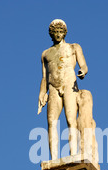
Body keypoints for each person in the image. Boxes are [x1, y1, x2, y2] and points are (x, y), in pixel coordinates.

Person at [37, 19, 89, 161]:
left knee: (71, 119)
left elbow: (84, 65)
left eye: (60, 32)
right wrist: (42, 92)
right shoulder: (45, 54)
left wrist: (83, 71)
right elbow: (44, 76)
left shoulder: (74, 47)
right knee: (51, 121)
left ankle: (73, 154)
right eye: (56, 32)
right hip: (53, 87)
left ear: (64, 33)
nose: (58, 34)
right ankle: (54, 159)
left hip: (69, 83)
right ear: (51, 34)